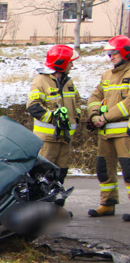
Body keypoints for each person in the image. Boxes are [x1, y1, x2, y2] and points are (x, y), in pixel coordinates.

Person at [87, 35, 130, 218]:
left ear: (125, 53)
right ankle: (107, 203)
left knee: (128, 170)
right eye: (109, 53)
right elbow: (95, 97)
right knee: (104, 168)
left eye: (114, 53)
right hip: (105, 132)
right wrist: (94, 115)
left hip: (125, 132)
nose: (110, 57)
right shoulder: (106, 75)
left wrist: (105, 117)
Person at [26, 44, 82, 185]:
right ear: (61, 63)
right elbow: (33, 107)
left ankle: (57, 205)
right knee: (44, 176)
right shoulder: (41, 81)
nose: (72, 65)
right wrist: (53, 118)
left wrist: (77, 117)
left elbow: (77, 101)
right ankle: (42, 206)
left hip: (65, 138)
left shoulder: (68, 82)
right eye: (70, 62)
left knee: (61, 174)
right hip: (47, 140)